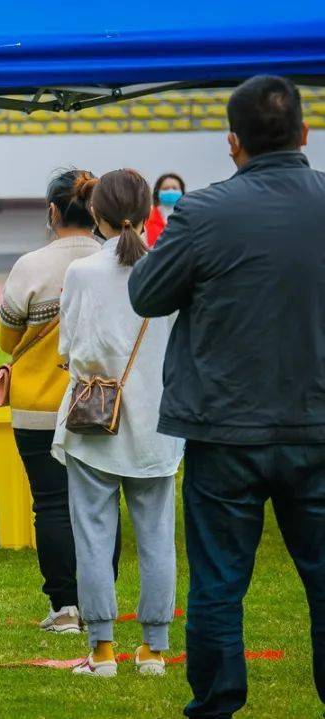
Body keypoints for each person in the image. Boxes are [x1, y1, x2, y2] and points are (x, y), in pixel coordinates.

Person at [129, 75, 325, 717]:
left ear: (232, 144)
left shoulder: (203, 212)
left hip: (223, 428)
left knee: (219, 585)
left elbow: (146, 295)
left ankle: (215, 707)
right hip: (317, 423)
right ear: (305, 133)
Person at [52, 169, 183, 678]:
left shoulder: (83, 272)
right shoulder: (169, 269)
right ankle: (153, 649)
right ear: (147, 209)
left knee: (93, 536)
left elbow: (68, 348)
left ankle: (101, 650)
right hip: (157, 425)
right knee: (156, 539)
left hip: (94, 423)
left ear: (97, 214)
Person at [0, 168, 118, 633]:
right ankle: (99, 603)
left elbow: (8, 338)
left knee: (49, 505)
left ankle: (65, 608)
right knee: (102, 504)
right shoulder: (116, 258)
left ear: (52, 211)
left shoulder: (31, 265)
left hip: (38, 405)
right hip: (101, 404)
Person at [144, 172, 186, 247]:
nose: (170, 191)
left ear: (182, 192)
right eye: (165, 188)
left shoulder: (188, 216)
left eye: (174, 188)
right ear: (158, 192)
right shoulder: (147, 217)